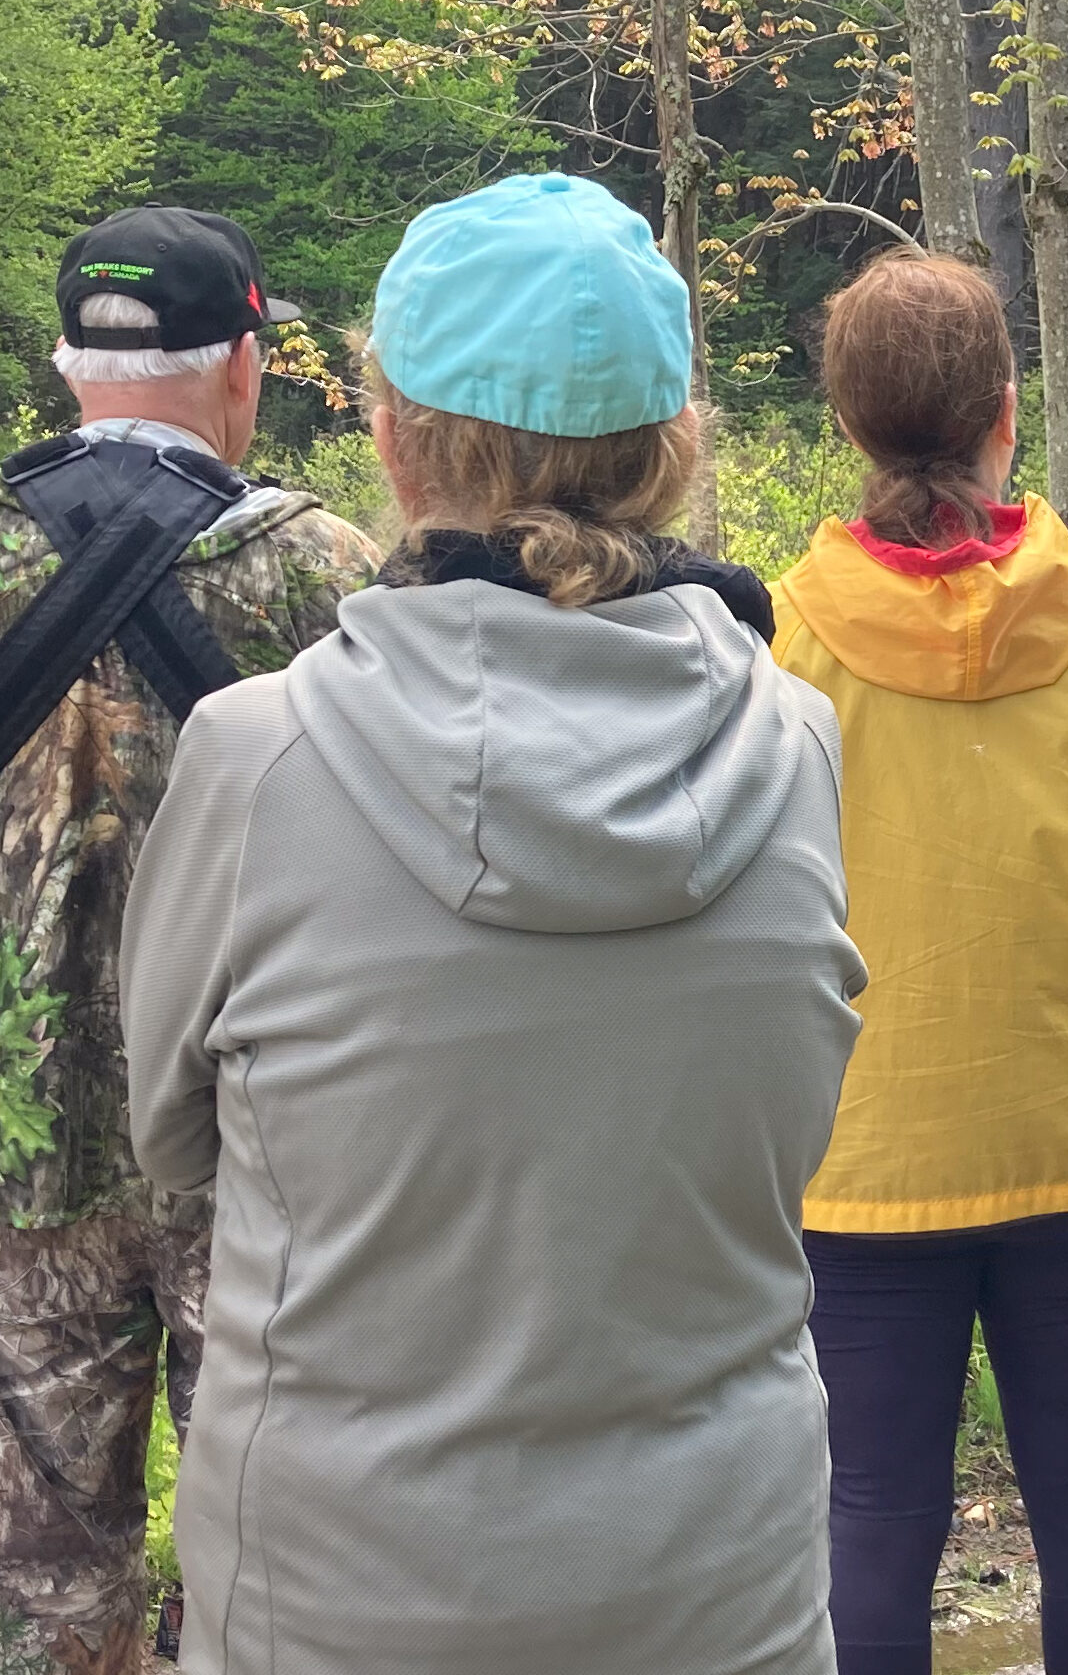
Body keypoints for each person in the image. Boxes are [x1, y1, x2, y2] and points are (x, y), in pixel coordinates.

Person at [118, 173, 864, 1675]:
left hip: (342, 1596)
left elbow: (170, 1136)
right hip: (721, 1587)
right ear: (674, 451)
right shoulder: (799, 746)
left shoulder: (260, 758)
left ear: (393, 441)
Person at [772, 250, 1068, 1675]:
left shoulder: (779, 638)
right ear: (1008, 413)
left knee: (873, 1507)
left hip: (859, 1154)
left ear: (847, 425)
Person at [0, 205, 380, 1675]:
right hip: (262, 1150)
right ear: (246, 362)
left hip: (22, 1165)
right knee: (280, 1562)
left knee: (38, 1581)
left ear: (64, 365)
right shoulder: (328, 575)